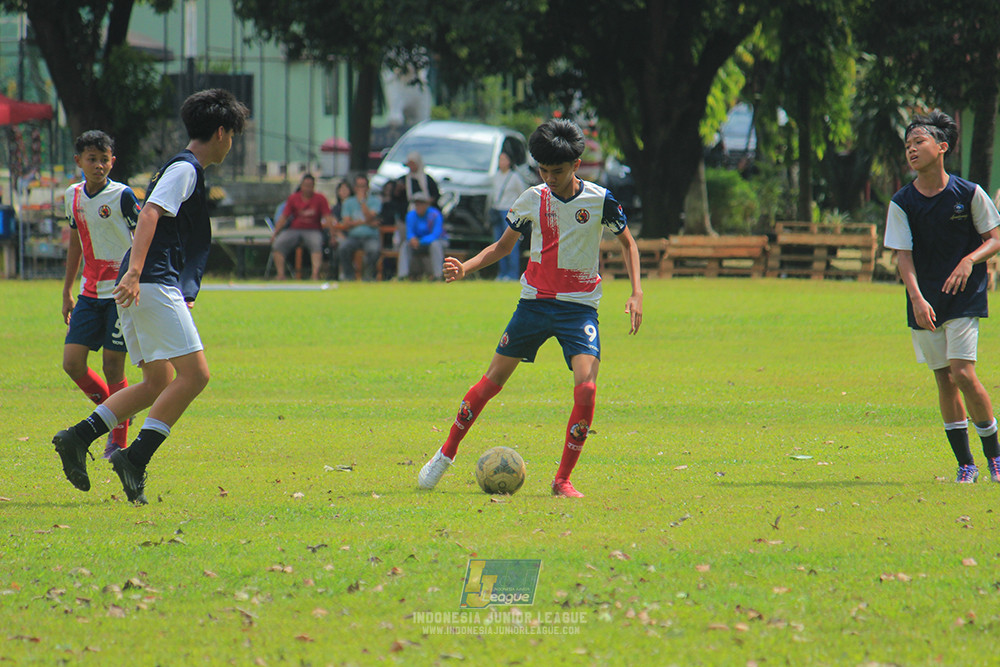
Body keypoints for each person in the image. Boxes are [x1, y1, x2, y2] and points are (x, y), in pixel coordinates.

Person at [417, 118, 644, 498]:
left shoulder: (601, 199)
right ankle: (445, 453)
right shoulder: (531, 199)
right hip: (534, 305)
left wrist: (637, 293)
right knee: (490, 383)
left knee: (587, 391)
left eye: (557, 170)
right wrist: (466, 267)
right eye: (543, 170)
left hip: (579, 310)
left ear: (576, 165)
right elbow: (502, 247)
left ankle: (562, 480)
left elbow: (629, 244)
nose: (549, 177)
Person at [52, 88, 249, 504]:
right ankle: (135, 458)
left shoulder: (184, 168)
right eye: (232, 134)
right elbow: (150, 215)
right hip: (150, 282)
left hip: (145, 282)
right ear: (220, 131)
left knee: (156, 381)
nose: (232, 143)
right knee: (196, 376)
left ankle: (77, 436)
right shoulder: (186, 169)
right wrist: (138, 271)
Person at [884, 110, 1000, 484]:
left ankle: (995, 457)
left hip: (965, 297)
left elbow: (995, 239)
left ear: (942, 146)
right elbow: (903, 256)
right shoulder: (902, 203)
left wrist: (970, 260)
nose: (912, 150)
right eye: (907, 145)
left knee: (963, 373)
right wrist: (916, 299)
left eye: (919, 142)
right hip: (926, 301)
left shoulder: (969, 194)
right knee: (944, 380)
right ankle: (965, 464)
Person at [60, 130, 140, 460]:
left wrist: (137, 277)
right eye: (92, 159)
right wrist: (67, 289)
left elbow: (145, 236)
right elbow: (77, 242)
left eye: (104, 159)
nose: (99, 165)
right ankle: (120, 409)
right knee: (73, 363)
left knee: (112, 366)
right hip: (89, 293)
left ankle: (117, 442)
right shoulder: (72, 196)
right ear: (78, 161)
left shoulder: (122, 196)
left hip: (120, 294)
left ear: (113, 162)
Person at [269, 174, 333, 281]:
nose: (307, 188)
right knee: (278, 244)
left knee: (316, 244)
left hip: (313, 230)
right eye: (305, 185)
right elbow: (284, 217)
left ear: (314, 186)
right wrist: (275, 234)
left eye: (310, 185)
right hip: (295, 229)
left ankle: (315, 275)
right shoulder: (293, 198)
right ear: (301, 186)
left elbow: (328, 217)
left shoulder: (320, 199)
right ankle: (281, 275)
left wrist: (332, 235)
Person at [490, 150, 527, 281]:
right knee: (498, 243)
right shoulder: (496, 176)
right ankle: (502, 272)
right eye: (500, 160)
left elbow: (522, 194)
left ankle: (512, 273)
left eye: (504, 159)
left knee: (511, 243)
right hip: (497, 210)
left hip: (509, 211)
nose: (502, 162)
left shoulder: (514, 177)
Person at [338, 174, 383, 281]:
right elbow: (347, 223)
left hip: (371, 236)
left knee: (374, 250)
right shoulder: (348, 202)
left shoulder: (375, 201)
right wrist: (367, 223)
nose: (361, 189)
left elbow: (369, 216)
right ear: (354, 188)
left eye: (363, 186)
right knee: (343, 248)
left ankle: (368, 277)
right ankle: (349, 277)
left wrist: (362, 201)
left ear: (367, 188)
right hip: (353, 236)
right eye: (358, 186)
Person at [398, 192, 445, 280]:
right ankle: (402, 275)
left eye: (421, 204)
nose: (418, 206)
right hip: (417, 243)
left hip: (435, 241)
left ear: (427, 204)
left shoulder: (435, 215)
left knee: (435, 245)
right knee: (405, 245)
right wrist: (412, 239)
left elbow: (436, 234)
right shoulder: (411, 215)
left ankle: (438, 276)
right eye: (417, 204)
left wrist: (420, 241)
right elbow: (410, 232)